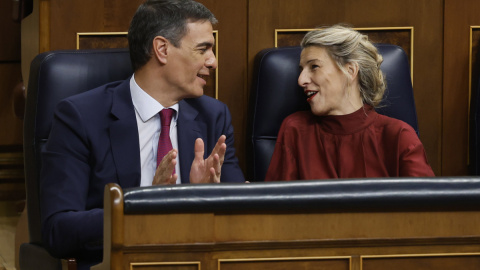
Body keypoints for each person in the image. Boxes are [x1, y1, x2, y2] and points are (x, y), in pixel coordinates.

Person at [39, 0, 245, 268]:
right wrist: (143, 204)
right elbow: (59, 230)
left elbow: (241, 218)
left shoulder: (214, 117)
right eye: (203, 49)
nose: (213, 61)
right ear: (162, 49)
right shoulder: (80, 117)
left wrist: (204, 197)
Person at [265, 25, 434, 181]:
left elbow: (426, 209)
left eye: (314, 66)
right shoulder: (294, 129)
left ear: (350, 71)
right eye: (301, 70)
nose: (301, 80)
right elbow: (275, 207)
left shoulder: (399, 136)